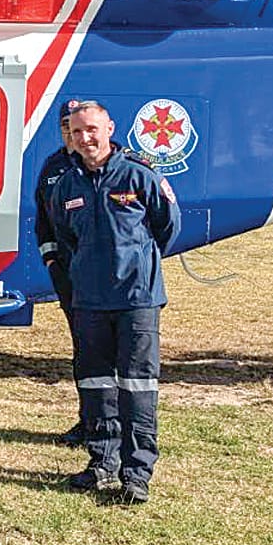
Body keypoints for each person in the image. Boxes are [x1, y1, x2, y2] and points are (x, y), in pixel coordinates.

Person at [45, 101, 182, 504]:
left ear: (109, 129)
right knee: (95, 382)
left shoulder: (139, 174)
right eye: (76, 131)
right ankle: (102, 461)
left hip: (136, 299)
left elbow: (168, 226)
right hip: (89, 299)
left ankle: (136, 473)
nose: (84, 138)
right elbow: (65, 236)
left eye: (92, 129)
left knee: (137, 385)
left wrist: (137, 262)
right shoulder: (66, 184)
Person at [33, 102, 87, 447]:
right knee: (83, 349)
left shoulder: (108, 165)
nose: (71, 132)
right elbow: (43, 220)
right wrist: (52, 262)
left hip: (105, 277)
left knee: (109, 353)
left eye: (76, 125)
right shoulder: (53, 167)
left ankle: (113, 423)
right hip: (69, 275)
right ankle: (88, 419)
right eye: (65, 125)